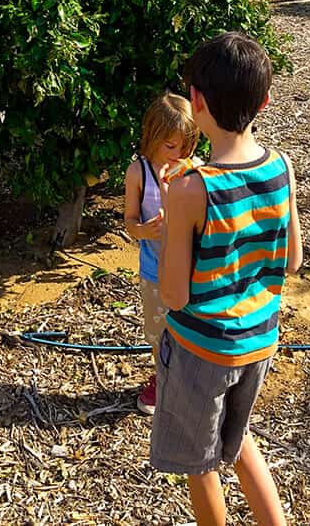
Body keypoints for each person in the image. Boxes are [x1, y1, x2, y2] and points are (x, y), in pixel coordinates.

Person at [151, 32, 303, 526]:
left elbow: (173, 294)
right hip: (259, 341)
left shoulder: (191, 190)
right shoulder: (281, 167)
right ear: (264, 100)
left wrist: (175, 219)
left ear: (196, 102)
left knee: (200, 464)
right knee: (236, 442)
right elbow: (293, 260)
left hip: (202, 351)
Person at [124, 93, 200, 415]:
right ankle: (163, 376)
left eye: (186, 147)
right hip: (155, 269)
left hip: (192, 270)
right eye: (170, 146)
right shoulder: (138, 173)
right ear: (153, 137)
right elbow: (129, 220)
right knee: (158, 330)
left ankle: (192, 379)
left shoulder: (194, 170)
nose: (178, 154)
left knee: (192, 327)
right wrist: (144, 230)